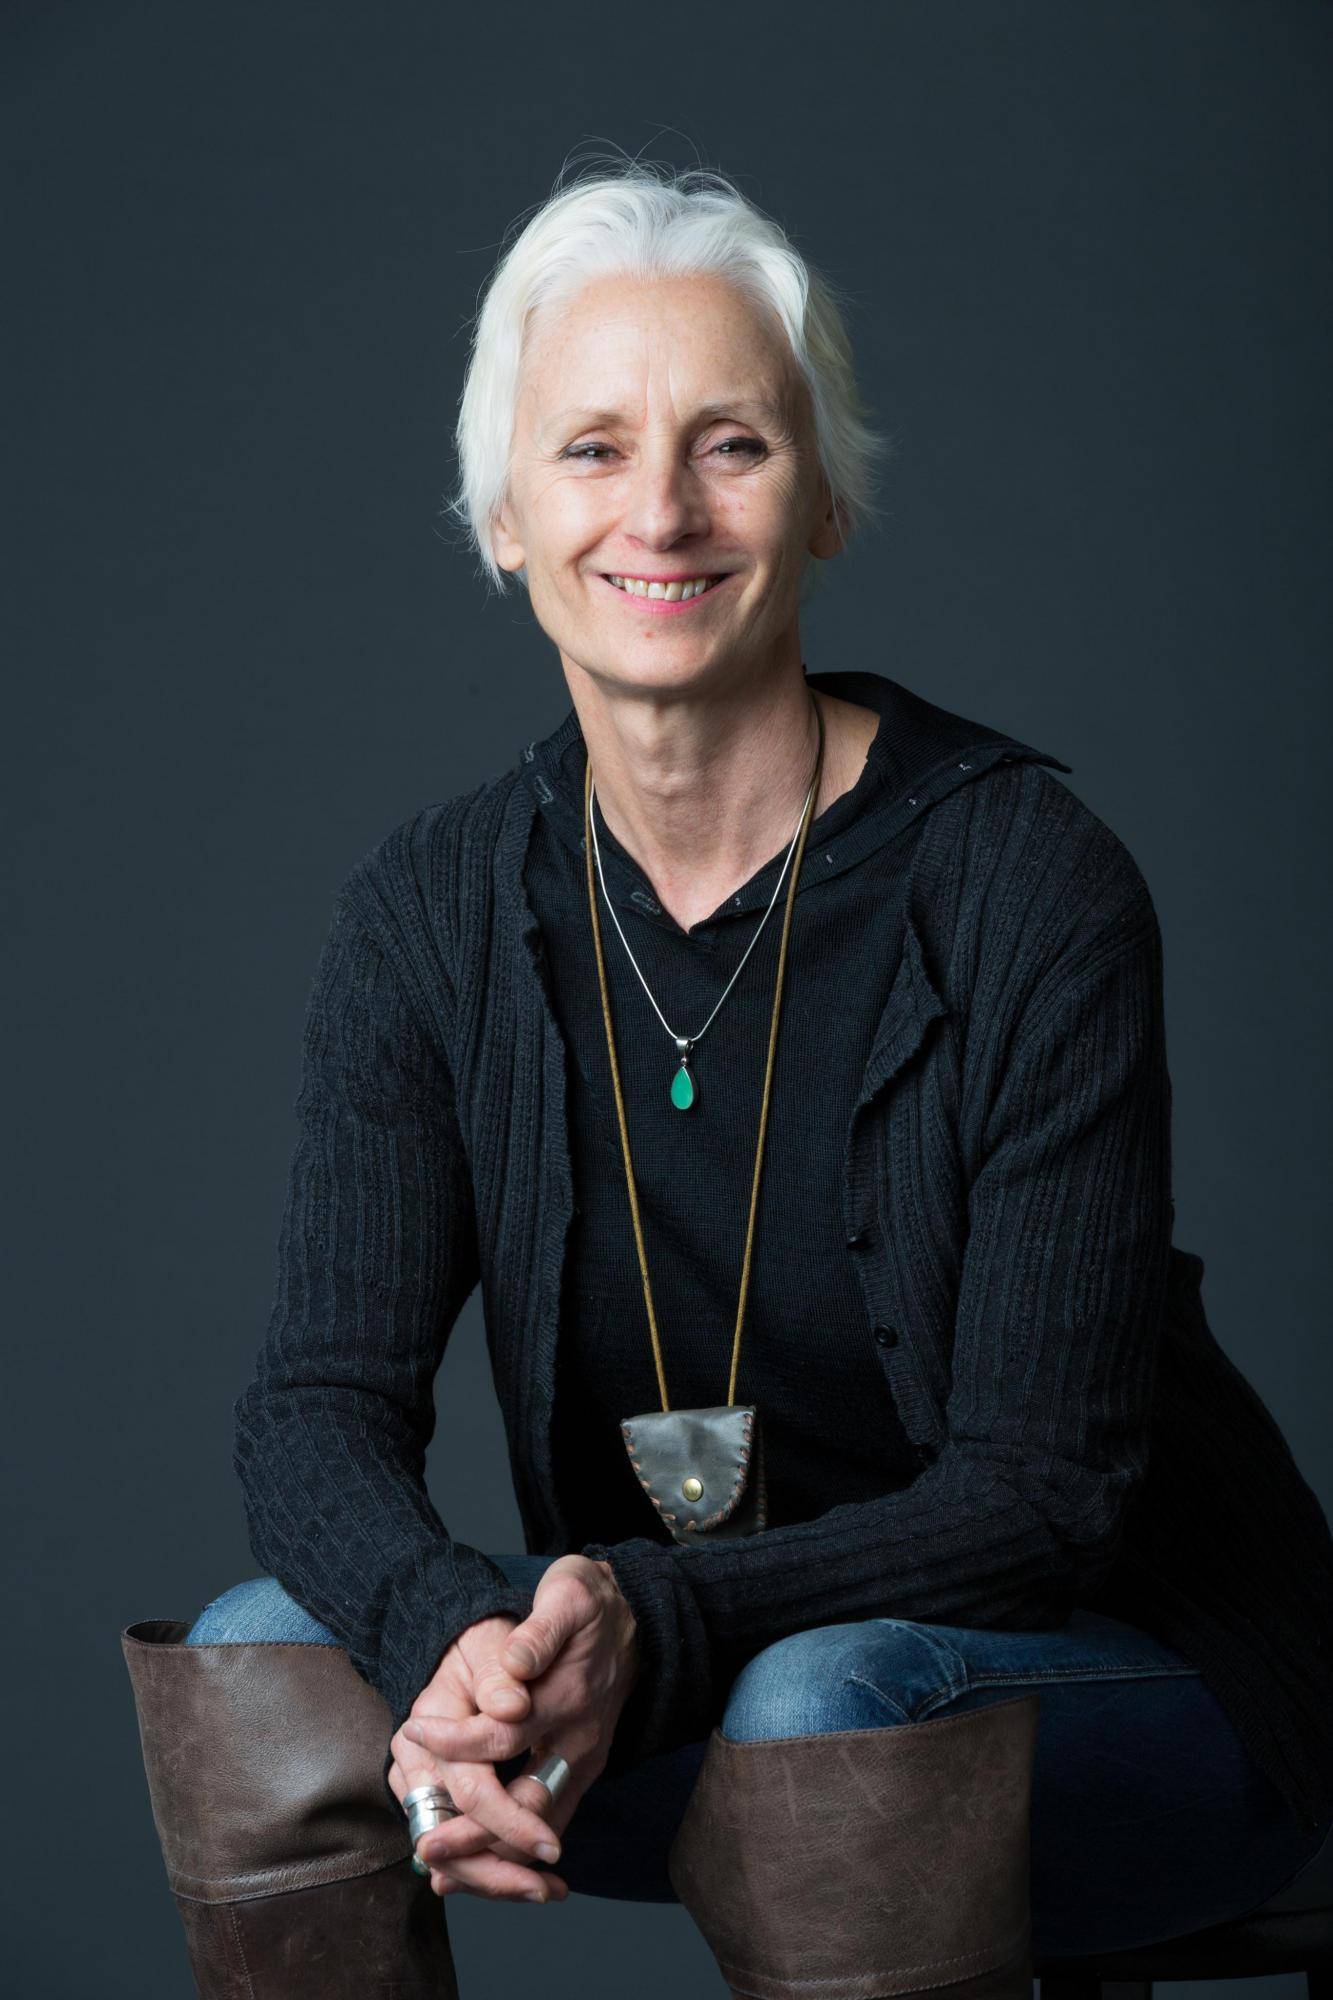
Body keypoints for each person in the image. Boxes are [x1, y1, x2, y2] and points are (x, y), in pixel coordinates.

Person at [121, 158, 1333, 2000]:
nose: (661, 512)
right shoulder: (432, 912)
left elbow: (1044, 1492)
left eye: (732, 446)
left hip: (1106, 1689)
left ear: (825, 495)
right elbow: (311, 1410)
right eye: (591, 450)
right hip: (664, 1684)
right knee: (256, 1650)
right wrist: (458, 1630)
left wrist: (649, 1616)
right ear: (503, 515)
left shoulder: (1023, 883)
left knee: (819, 1697)